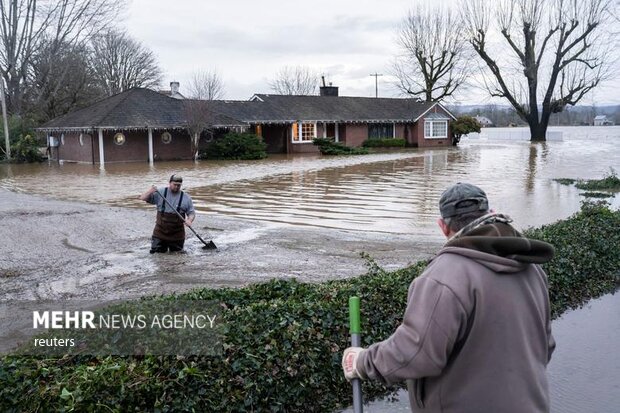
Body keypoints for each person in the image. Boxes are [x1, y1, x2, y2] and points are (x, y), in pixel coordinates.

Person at [342, 183, 556, 413]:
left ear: (443, 226)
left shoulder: (442, 277)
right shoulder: (533, 271)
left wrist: (362, 362)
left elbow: (416, 352)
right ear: (492, 214)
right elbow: (546, 346)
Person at [140, 174, 196, 253]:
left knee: (177, 258)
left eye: (179, 185)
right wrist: (150, 191)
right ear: (169, 183)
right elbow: (142, 198)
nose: (176, 187)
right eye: (175, 185)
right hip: (159, 234)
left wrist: (189, 220)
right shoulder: (160, 193)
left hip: (177, 235)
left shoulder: (186, 198)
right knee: (156, 256)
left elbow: (191, 213)